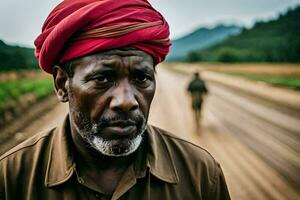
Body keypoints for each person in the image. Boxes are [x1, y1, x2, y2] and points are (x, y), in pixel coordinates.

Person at [0, 0, 230, 199]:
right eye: (102, 78)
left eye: (141, 78)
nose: (126, 101)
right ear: (62, 84)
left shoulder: (201, 174)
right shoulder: (11, 178)